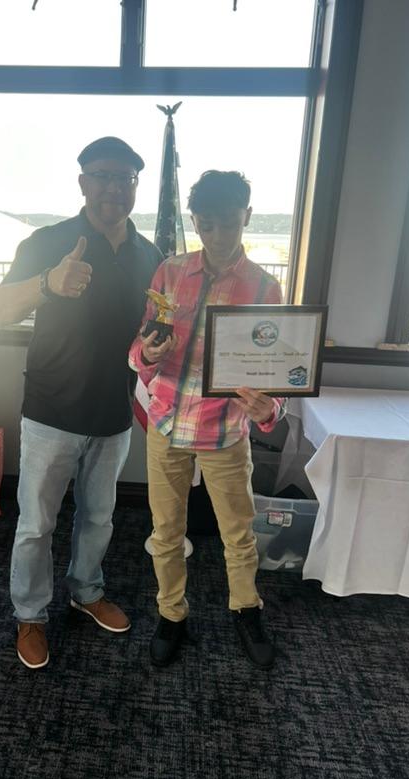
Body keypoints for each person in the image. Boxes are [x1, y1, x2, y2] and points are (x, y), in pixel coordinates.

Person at [0, 137, 162, 669]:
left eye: (125, 178)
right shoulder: (48, 241)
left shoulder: (150, 255)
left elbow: (150, 332)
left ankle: (86, 591)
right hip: (51, 410)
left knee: (99, 517)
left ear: (136, 186)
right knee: (36, 524)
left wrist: (157, 346)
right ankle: (30, 614)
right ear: (83, 182)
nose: (114, 187)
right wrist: (48, 283)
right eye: (103, 176)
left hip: (114, 411)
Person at [128, 170, 285, 669]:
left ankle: (246, 610)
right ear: (195, 220)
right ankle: (171, 613)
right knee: (166, 529)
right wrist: (148, 354)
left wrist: (270, 408)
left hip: (225, 429)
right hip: (167, 422)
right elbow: (140, 346)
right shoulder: (169, 272)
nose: (218, 235)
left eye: (230, 223)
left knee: (238, 532)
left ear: (247, 217)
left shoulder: (265, 288)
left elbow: (277, 367)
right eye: (208, 224)